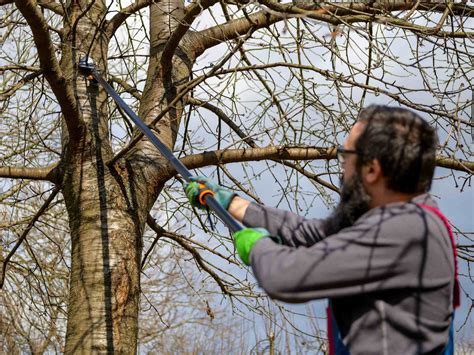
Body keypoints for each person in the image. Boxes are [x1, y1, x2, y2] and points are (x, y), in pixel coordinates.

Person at [184, 105, 459, 354]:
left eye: (345, 157)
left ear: (372, 170)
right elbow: (306, 232)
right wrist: (232, 202)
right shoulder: (401, 222)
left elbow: (287, 276)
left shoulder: (404, 230)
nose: (341, 170)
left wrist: (257, 246)